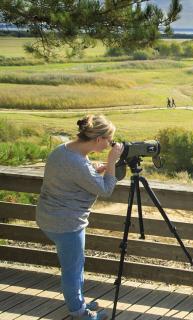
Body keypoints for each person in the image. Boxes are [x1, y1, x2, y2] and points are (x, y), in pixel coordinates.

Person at [36, 114, 123, 320]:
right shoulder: (77, 163)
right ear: (98, 139)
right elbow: (106, 189)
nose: (109, 144)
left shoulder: (63, 150)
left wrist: (95, 169)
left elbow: (73, 172)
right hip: (66, 223)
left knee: (75, 263)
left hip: (48, 217)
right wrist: (112, 162)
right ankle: (79, 312)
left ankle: (78, 300)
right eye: (109, 140)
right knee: (73, 269)